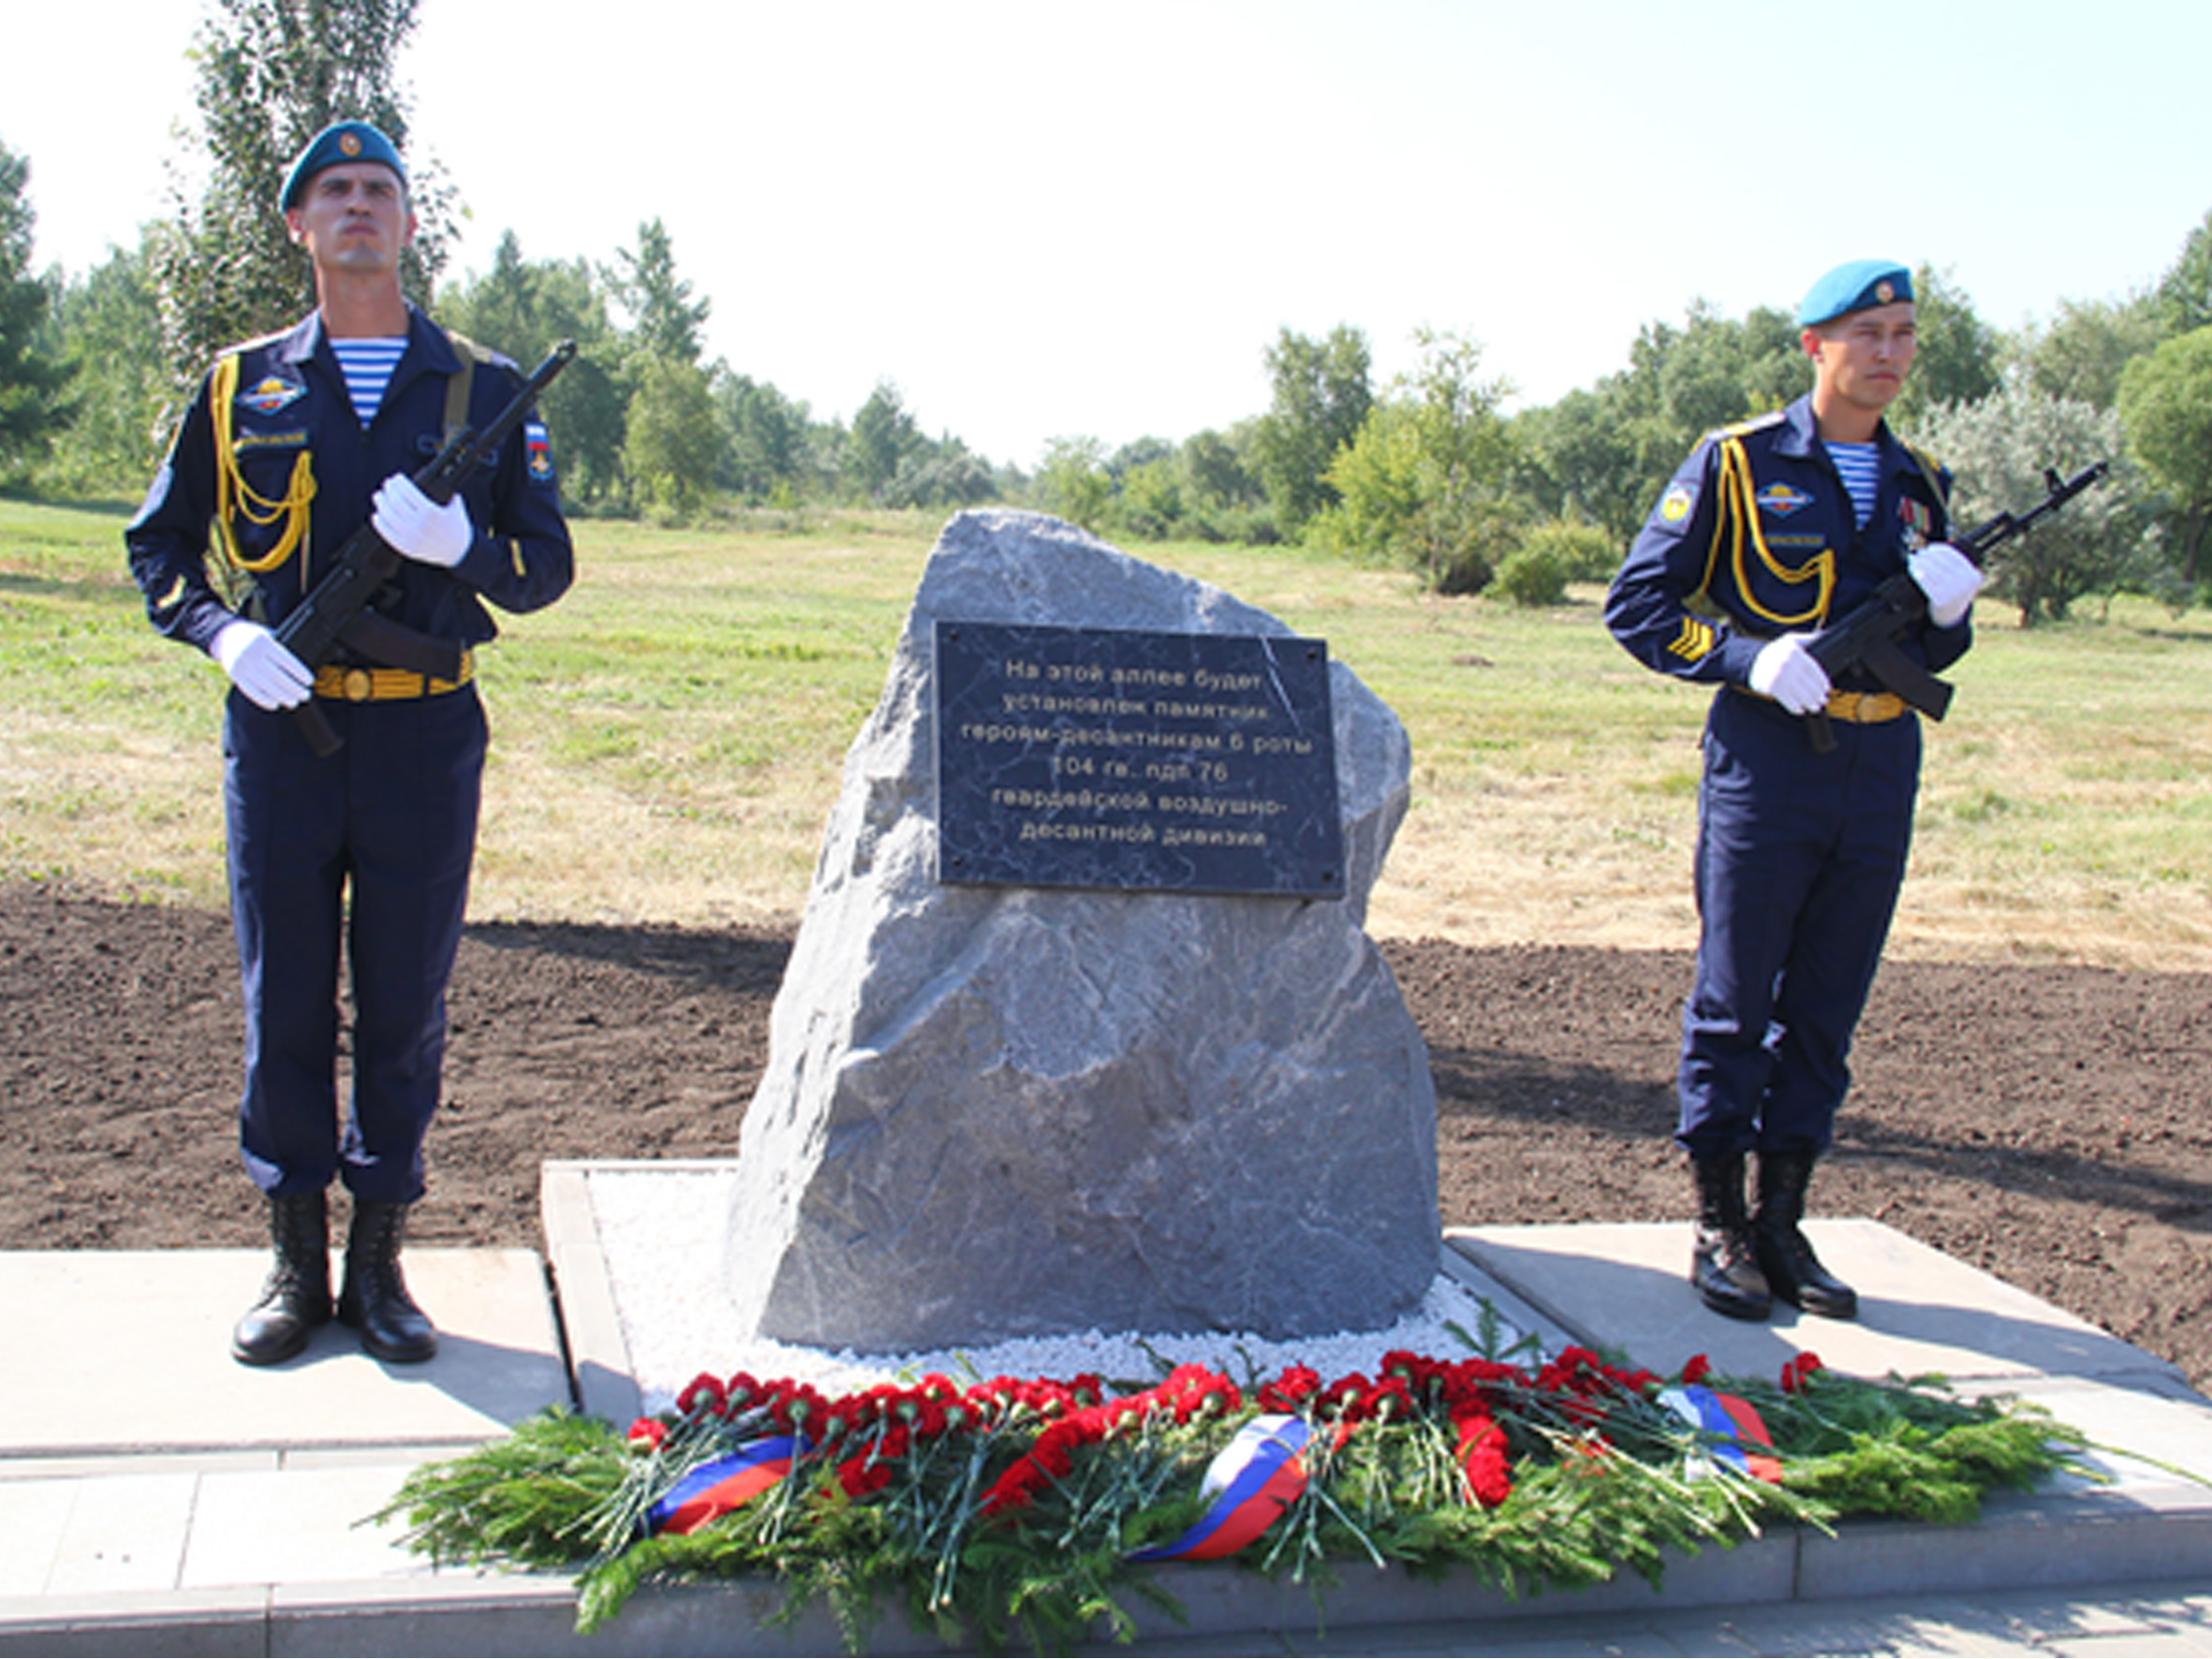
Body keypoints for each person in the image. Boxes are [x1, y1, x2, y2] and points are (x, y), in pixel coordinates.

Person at [125, 121, 574, 1365]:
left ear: (408, 222)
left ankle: (379, 1264)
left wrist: (458, 551)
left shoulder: (480, 388)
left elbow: (545, 568)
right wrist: (222, 638)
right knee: (283, 1001)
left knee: (402, 1002)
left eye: (380, 190)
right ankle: (290, 1260)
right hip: (279, 734)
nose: (359, 207)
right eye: (334, 192)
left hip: (424, 740)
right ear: (300, 226)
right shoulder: (237, 385)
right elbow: (158, 550)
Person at [1603, 259, 1983, 1323]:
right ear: (1813, 345)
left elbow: (1935, 647)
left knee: (1826, 1004)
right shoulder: (1736, 461)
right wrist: (1745, 659)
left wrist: (1949, 612)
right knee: (1736, 999)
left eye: (1904, 333)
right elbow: (1638, 606)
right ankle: (1718, 1219)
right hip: (1768, 764)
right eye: (1867, 333)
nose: (1889, 353)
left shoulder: (1919, 480)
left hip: (1878, 766)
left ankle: (1783, 1220)